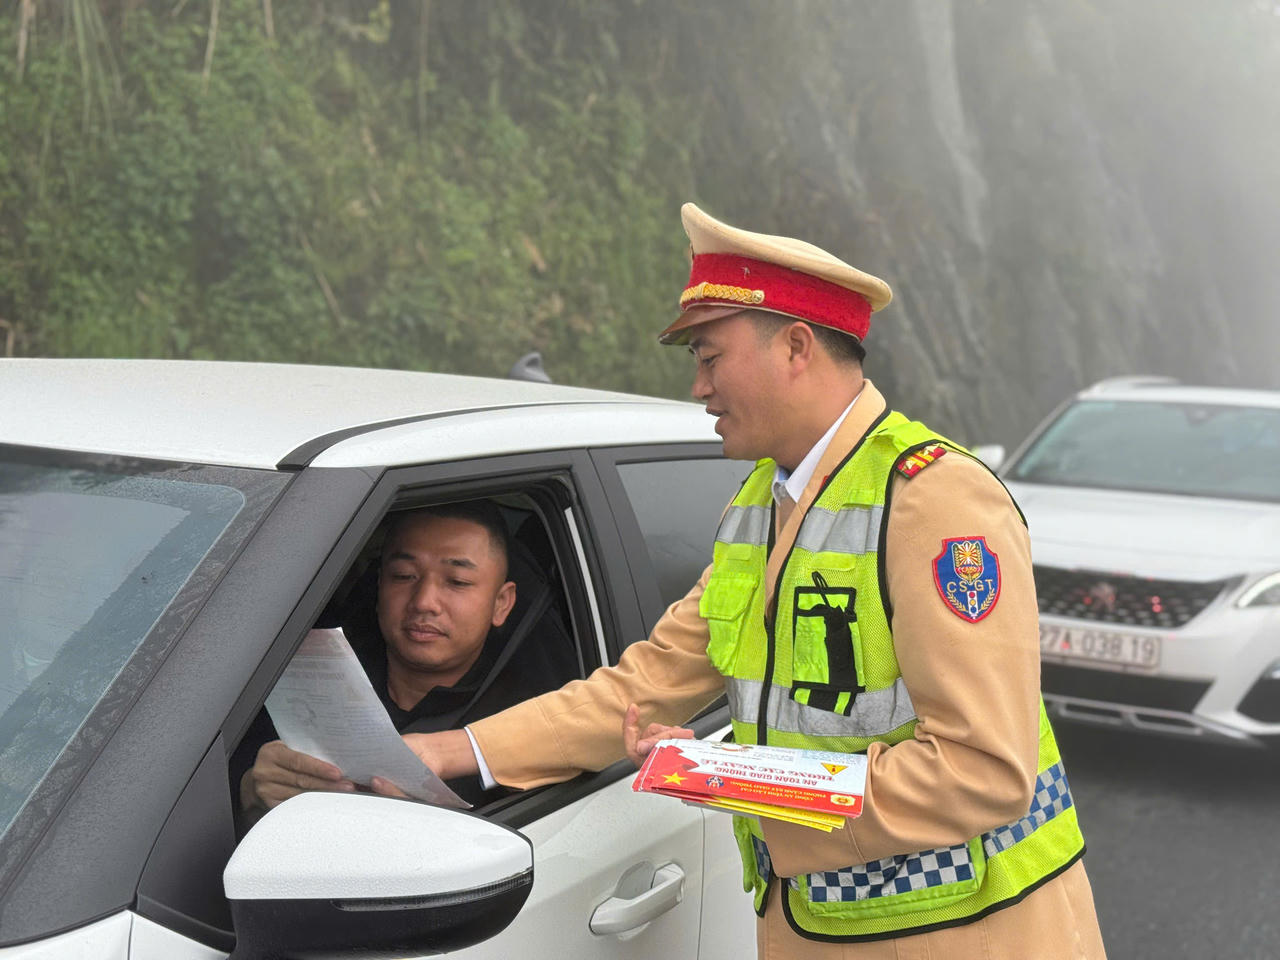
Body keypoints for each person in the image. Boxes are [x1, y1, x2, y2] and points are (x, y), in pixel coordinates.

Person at [402, 204, 1107, 958]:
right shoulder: (758, 509)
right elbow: (639, 687)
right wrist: (448, 752)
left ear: (796, 347)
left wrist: (726, 773)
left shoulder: (932, 499)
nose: (700, 388)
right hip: (814, 930)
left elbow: (983, 772)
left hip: (962, 938)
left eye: (709, 357)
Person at [237, 500, 545, 814]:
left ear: (501, 604)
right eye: (403, 575)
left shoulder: (525, 725)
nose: (424, 602)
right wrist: (251, 790)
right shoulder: (302, 678)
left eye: (457, 582)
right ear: (380, 583)